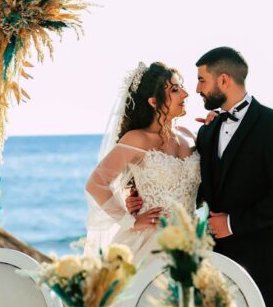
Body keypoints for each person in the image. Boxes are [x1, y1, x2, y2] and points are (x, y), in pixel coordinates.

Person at [128, 47, 273, 307]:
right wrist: (142, 195)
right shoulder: (208, 131)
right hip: (218, 262)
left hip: (269, 262)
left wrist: (233, 223)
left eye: (201, 80)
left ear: (223, 80)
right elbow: (197, 189)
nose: (196, 89)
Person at [84, 61, 200, 264]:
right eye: (174, 90)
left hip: (193, 242)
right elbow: (96, 184)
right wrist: (130, 221)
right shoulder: (137, 139)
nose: (185, 94)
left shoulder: (189, 136)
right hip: (151, 246)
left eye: (180, 87)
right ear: (154, 102)